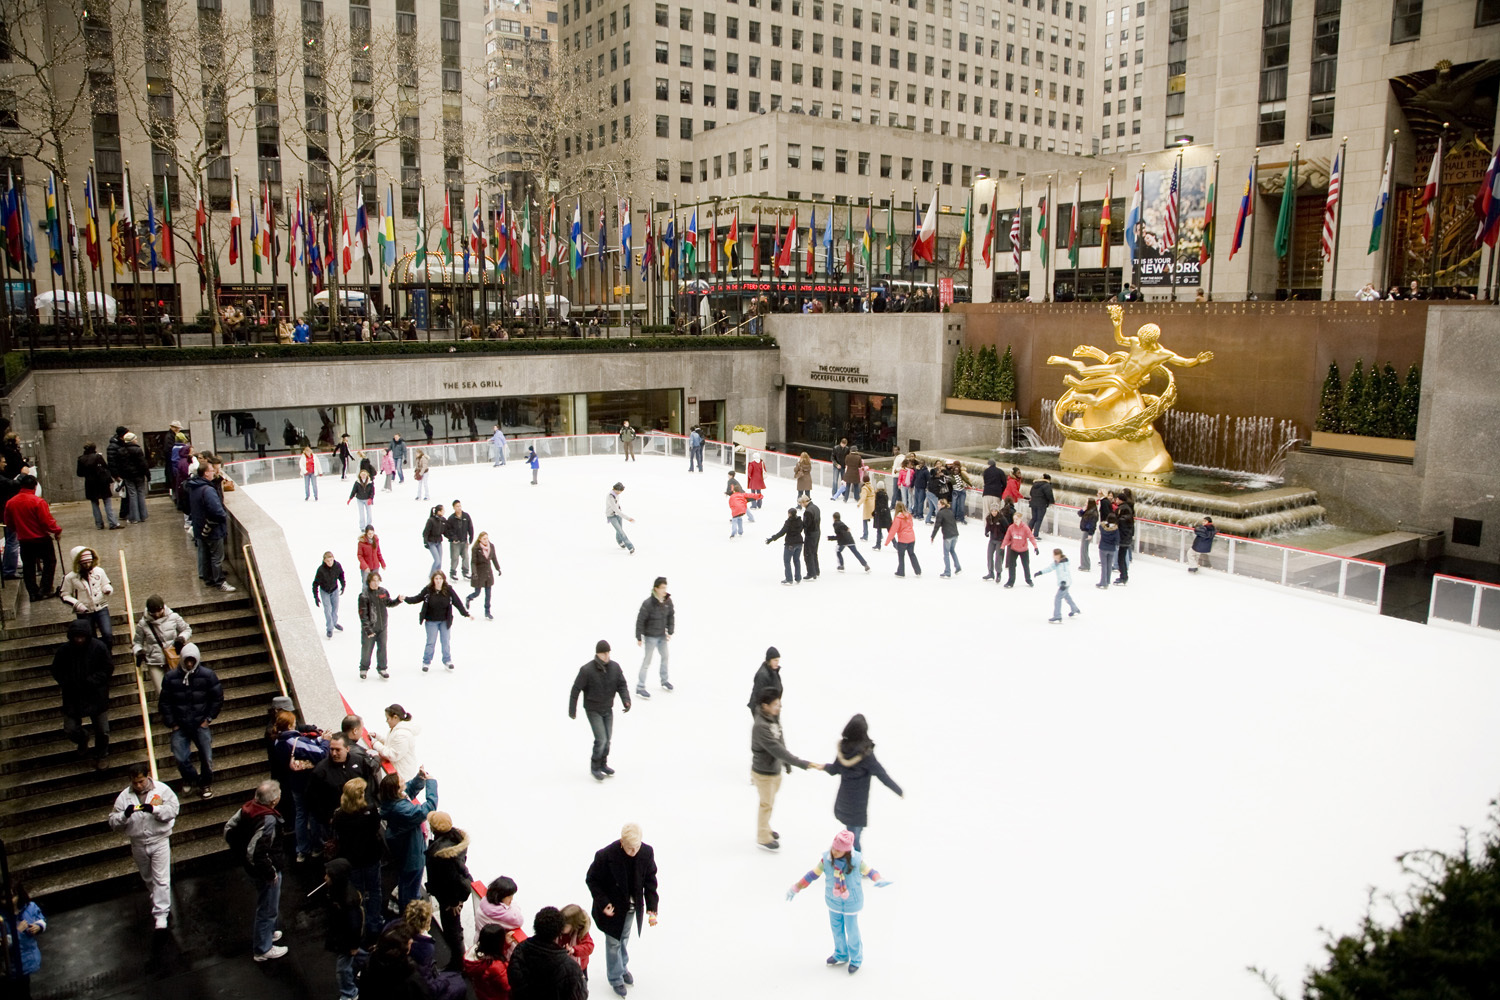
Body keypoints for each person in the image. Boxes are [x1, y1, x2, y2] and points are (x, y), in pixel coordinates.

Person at [785, 829, 892, 974]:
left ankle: (856, 959)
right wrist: (797, 887)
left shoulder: (856, 861)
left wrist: (878, 879)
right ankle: (841, 953)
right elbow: (812, 875)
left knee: (852, 931)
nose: (834, 852)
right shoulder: (827, 860)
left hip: (851, 902)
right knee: (836, 929)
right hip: (833, 901)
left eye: (838, 850)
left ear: (847, 852)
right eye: (834, 848)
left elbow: (870, 871)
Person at [585, 824, 659, 997]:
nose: (634, 852)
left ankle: (622, 966)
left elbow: (650, 880)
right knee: (613, 943)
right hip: (612, 910)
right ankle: (615, 977)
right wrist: (604, 903)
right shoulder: (605, 855)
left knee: (623, 939)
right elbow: (592, 879)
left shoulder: (646, 852)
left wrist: (652, 907)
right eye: (629, 848)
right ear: (621, 842)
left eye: (637, 847)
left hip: (632, 908)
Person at [108, 764, 180, 930]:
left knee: (161, 878)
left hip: (159, 840)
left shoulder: (162, 790)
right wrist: (125, 815)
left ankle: (161, 915)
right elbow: (113, 821)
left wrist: (155, 810)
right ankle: (158, 901)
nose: (138, 785)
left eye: (141, 781)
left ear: (147, 777)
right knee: (148, 877)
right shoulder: (124, 797)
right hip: (138, 842)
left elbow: (173, 810)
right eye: (135, 783)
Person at [224, 779, 288, 960]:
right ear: (273, 801)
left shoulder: (248, 808)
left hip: (252, 868)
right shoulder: (268, 820)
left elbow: (229, 829)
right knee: (267, 907)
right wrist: (270, 872)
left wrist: (239, 852)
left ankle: (268, 933)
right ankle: (263, 948)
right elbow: (257, 852)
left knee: (268, 904)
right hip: (265, 871)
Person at [752, 690, 822, 851]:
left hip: (774, 770)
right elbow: (776, 749)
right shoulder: (760, 727)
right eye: (776, 704)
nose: (779, 707)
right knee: (766, 804)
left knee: (769, 803)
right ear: (765, 706)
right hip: (763, 772)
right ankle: (763, 837)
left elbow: (780, 740)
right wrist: (800, 763)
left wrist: (786, 764)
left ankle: (766, 827)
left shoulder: (773, 717)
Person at [821, 715, 902, 851]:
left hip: (844, 801)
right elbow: (881, 775)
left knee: (852, 834)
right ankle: (855, 867)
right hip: (858, 805)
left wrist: (824, 766)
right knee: (854, 839)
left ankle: (851, 863)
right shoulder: (866, 755)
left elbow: (834, 769)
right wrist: (898, 790)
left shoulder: (843, 749)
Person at [52, 619, 115, 770]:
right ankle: (82, 738)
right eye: (76, 637)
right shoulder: (64, 651)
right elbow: (56, 670)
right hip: (73, 695)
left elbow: (107, 668)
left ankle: (101, 755)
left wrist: (92, 681)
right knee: (70, 728)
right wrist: (68, 682)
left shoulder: (99, 648)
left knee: (102, 730)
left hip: (96, 695)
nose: (79, 640)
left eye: (82, 637)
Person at [569, 640, 631, 781]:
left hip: (607, 708)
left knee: (608, 739)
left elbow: (622, 685)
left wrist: (626, 700)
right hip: (593, 709)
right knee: (601, 739)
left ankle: (603, 764)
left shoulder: (615, 667)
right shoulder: (587, 670)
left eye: (608, 652)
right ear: (597, 653)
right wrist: (572, 709)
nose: (606, 655)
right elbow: (576, 689)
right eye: (604, 653)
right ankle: (595, 766)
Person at [331, 777, 385, 936]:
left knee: (358, 893)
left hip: (351, 860)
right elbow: (376, 828)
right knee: (375, 890)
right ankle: (374, 922)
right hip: (371, 857)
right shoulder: (370, 810)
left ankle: (360, 925)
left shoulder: (340, 815)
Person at [380, 768, 440, 909]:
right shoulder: (402, 810)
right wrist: (431, 783)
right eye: (401, 782)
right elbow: (429, 808)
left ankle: (405, 901)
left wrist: (419, 778)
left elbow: (409, 790)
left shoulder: (393, 800)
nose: (404, 782)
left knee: (407, 882)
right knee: (410, 887)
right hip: (411, 857)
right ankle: (409, 913)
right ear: (396, 789)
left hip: (409, 851)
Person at [424, 811, 475, 973]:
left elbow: (451, 880)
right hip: (451, 894)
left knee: (452, 929)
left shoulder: (442, 855)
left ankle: (458, 964)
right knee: (453, 928)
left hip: (449, 898)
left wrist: (454, 902)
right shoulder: (455, 840)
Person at [508, 907, 588, 1000]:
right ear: (559, 933)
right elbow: (579, 996)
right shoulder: (569, 967)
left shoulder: (520, 950)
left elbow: (513, 980)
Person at [4, 474, 62, 601]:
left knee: (28, 566)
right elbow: (46, 521)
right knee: (50, 562)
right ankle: (45, 589)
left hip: (24, 539)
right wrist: (56, 530)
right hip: (40, 538)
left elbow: (9, 522)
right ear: (35, 487)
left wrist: (18, 529)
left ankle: (33, 592)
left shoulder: (11, 502)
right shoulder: (38, 502)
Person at [185, 459, 235, 592]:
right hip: (213, 529)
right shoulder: (208, 490)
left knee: (206, 555)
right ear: (206, 473)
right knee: (216, 557)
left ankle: (209, 579)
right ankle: (220, 581)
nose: (214, 473)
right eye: (212, 471)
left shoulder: (194, 487)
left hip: (200, 527)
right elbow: (217, 511)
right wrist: (221, 518)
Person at [405, 570, 469, 672]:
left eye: (440, 579)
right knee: (431, 642)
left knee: (445, 641)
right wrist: (405, 598)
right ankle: (426, 661)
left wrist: (465, 613)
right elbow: (417, 598)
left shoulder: (448, 590)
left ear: (443, 580)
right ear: (433, 580)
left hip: (445, 621)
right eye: (436, 579)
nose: (438, 581)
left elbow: (457, 602)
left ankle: (447, 661)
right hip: (431, 621)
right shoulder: (428, 590)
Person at [322, 858, 365, 1000]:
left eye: (328, 875)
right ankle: (372, 966)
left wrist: (354, 945)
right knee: (360, 956)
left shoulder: (348, 900)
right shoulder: (337, 891)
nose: (325, 878)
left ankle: (350, 993)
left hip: (346, 940)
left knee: (343, 968)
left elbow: (355, 925)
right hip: (341, 935)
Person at [134, 595, 191, 694]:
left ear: (163, 608)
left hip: (173, 658)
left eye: (158, 611)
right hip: (154, 661)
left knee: (178, 690)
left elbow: (187, 629)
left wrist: (181, 638)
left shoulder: (174, 617)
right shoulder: (143, 624)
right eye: (153, 612)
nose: (156, 614)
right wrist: (138, 651)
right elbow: (137, 642)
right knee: (161, 693)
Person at [61, 545, 115, 644]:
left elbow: (105, 583)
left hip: (101, 608)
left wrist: (107, 589)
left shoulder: (99, 571)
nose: (87, 565)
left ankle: (106, 656)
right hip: (84, 613)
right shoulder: (70, 578)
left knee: (108, 635)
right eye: (84, 563)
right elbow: (65, 595)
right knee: (90, 639)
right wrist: (78, 605)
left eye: (89, 562)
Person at [634, 576, 674, 697]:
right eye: (662, 588)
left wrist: (670, 630)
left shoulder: (668, 601)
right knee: (647, 661)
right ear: (656, 589)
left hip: (662, 636)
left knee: (665, 657)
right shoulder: (648, 604)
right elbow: (640, 620)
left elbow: (671, 616)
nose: (664, 590)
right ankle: (640, 686)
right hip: (650, 637)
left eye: (665, 587)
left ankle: (664, 680)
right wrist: (639, 637)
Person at [472, 875, 525, 956]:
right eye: (509, 896)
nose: (512, 899)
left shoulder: (485, 902)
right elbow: (519, 919)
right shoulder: (500, 913)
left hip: (481, 945)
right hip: (492, 952)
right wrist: (510, 906)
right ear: (501, 896)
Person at [372, 704, 422, 783]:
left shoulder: (402, 734)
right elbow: (391, 744)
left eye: (388, 718)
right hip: (396, 772)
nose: (386, 721)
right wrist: (377, 737)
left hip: (402, 775)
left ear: (395, 717)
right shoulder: (396, 730)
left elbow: (393, 755)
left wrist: (375, 745)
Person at [77, 442, 120, 530]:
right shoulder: (98, 457)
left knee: (94, 504)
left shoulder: (81, 459)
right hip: (102, 482)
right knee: (107, 502)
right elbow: (105, 467)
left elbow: (79, 473)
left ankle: (99, 524)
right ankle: (113, 523)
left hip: (90, 483)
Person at [464, 924, 513, 1000]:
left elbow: (492, 951)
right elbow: (507, 986)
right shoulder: (496, 967)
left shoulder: (475, 956)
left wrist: (505, 945)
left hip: (482, 992)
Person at [465, 531, 502, 620]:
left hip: (488, 573)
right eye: (484, 538)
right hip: (479, 573)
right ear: (480, 539)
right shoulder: (476, 548)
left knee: (488, 594)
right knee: (477, 592)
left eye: (487, 538)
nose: (486, 540)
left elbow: (494, 558)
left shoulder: (491, 546)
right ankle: (469, 598)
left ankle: (487, 612)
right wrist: (474, 572)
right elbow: (473, 562)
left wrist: (498, 568)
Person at [765, 506, 805, 585]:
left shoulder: (788, 522)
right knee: (797, 560)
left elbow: (781, 533)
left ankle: (789, 578)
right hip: (799, 542)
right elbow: (801, 529)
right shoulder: (800, 521)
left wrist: (771, 539)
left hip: (790, 544)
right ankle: (798, 577)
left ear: (789, 514)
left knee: (787, 561)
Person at [313, 550, 347, 639]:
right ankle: (329, 628)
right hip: (325, 591)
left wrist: (343, 585)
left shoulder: (337, 566)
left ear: (333, 559)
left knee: (335, 608)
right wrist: (316, 597)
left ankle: (334, 623)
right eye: (328, 561)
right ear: (324, 561)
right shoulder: (321, 570)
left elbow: (341, 575)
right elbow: (315, 583)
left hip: (334, 590)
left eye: (331, 560)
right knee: (327, 609)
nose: (330, 562)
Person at [118, 431, 150, 523]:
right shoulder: (138, 450)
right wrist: (147, 474)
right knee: (140, 493)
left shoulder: (121, 451)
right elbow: (143, 464)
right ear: (132, 440)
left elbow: (120, 465)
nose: (136, 440)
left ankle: (134, 517)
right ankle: (143, 515)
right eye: (135, 439)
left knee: (132, 495)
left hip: (128, 476)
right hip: (139, 475)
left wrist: (122, 475)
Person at [1001, 514, 1040, 588]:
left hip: (1023, 550)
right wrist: (1002, 546)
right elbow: (1006, 538)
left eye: (1017, 519)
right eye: (1014, 519)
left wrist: (1035, 547)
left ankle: (1028, 580)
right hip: (1013, 549)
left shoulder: (1025, 528)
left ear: (1020, 519)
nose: (1015, 521)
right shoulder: (1011, 527)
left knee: (1025, 565)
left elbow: (1031, 537)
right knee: (1011, 566)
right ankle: (1010, 581)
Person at [928, 497, 961, 577]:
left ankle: (947, 571)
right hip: (955, 534)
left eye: (939, 504)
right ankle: (958, 567)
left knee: (946, 553)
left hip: (948, 535)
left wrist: (933, 536)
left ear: (942, 505)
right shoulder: (950, 511)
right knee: (952, 550)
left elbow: (937, 526)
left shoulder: (940, 513)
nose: (937, 505)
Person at [559, 904, 595, 974]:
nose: (561, 927)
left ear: (574, 925)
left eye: (564, 926)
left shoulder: (581, 934)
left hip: (579, 967)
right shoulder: (559, 932)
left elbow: (589, 947)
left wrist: (574, 950)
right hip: (562, 965)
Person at [890, 500, 921, 578]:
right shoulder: (909, 516)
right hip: (911, 538)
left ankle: (901, 572)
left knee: (901, 556)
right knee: (912, 554)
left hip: (903, 540)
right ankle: (918, 570)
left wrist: (887, 541)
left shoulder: (898, 518)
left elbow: (893, 530)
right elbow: (911, 525)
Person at [445, 500, 475, 579]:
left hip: (464, 541)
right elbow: (448, 530)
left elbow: (470, 527)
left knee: (466, 557)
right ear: (454, 508)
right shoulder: (451, 518)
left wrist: (471, 538)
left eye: (460, 506)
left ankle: (466, 572)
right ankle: (453, 572)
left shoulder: (466, 516)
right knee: (455, 557)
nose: (459, 508)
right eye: (457, 506)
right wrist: (453, 538)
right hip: (455, 542)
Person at [604, 483, 635, 554]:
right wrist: (628, 518)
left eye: (621, 491)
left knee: (619, 529)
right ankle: (630, 547)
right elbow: (615, 509)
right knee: (620, 531)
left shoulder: (616, 495)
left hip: (618, 514)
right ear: (615, 489)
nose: (620, 492)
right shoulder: (610, 497)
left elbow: (617, 504)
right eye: (619, 491)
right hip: (611, 516)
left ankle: (619, 541)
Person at [1115, 489, 1137, 585]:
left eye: (1117, 499)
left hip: (1124, 537)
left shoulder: (1123, 509)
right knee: (1121, 557)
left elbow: (1123, 523)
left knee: (1121, 558)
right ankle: (1123, 576)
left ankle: (1123, 577)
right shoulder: (1125, 508)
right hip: (1125, 537)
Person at [798, 495, 822, 579]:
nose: (800, 505)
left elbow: (806, 524)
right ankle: (816, 570)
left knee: (808, 553)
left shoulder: (807, 511)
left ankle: (811, 573)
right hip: (817, 532)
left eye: (801, 503)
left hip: (811, 534)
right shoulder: (816, 507)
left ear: (804, 502)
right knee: (814, 552)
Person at [422, 503, 446, 575]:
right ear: (439, 511)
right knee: (437, 560)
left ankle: (438, 575)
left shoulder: (443, 520)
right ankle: (432, 575)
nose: (444, 511)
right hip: (431, 542)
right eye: (443, 510)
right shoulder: (431, 520)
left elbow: (445, 531)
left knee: (440, 561)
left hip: (439, 542)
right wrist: (425, 542)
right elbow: (425, 532)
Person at [1096, 519, 1120, 589]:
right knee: (1109, 565)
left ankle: (1103, 582)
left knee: (1104, 565)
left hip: (1103, 548)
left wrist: (1105, 523)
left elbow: (1100, 525)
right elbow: (1117, 540)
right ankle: (1107, 581)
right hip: (1111, 549)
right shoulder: (1115, 530)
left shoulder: (1103, 528)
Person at [1078, 498, 1098, 572]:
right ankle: (1084, 564)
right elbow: (1079, 514)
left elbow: (1092, 525)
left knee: (1084, 549)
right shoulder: (1088, 510)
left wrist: (1090, 534)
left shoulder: (1093, 513)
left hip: (1087, 532)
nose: (1085, 503)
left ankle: (1085, 565)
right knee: (1083, 548)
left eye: (1087, 502)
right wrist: (1083, 509)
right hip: (1085, 531)